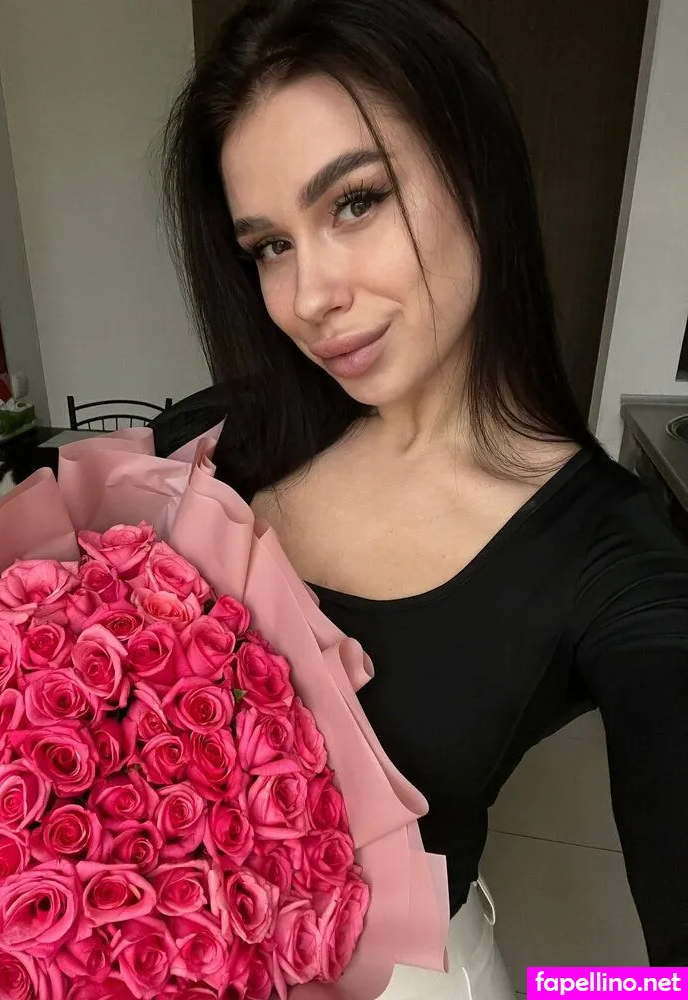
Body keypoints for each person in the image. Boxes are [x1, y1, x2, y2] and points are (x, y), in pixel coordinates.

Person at [155, 0, 688, 995]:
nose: (308, 296)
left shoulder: (613, 558)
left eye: (354, 202)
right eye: (269, 246)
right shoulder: (219, 439)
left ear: (477, 174)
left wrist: (576, 989)